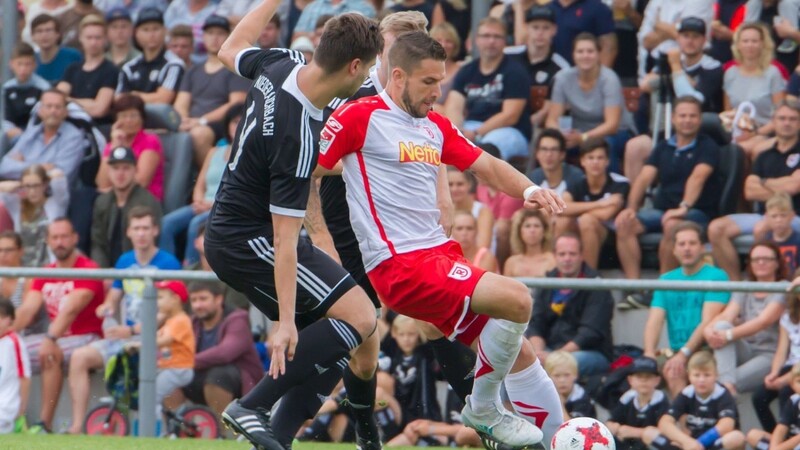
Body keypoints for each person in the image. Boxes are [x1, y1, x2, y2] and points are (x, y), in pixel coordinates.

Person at [318, 30, 565, 447]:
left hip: (437, 258)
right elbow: (305, 167)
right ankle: (483, 406)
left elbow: (486, 165)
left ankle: (556, 441)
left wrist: (528, 190)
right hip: (399, 266)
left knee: (519, 353)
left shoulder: (434, 126)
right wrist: (305, 233)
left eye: (442, 81)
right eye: (428, 82)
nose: (438, 91)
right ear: (398, 77)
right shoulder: (358, 117)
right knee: (518, 298)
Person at [203, 1, 384, 448]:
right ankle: (251, 405)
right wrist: (285, 323)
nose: (366, 81)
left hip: (242, 230)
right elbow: (285, 241)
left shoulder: (284, 62)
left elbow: (230, 48)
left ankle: (277, 440)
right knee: (360, 315)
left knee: (341, 336)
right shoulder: (295, 134)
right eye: (368, 71)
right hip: (249, 240)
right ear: (353, 65)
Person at [67, 205, 179, 434]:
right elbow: (114, 297)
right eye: (136, 228)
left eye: (146, 228)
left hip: (158, 341)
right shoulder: (124, 261)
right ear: (128, 232)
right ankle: (78, 425)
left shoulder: (169, 263)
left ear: (155, 230)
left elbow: (170, 311)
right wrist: (105, 308)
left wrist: (133, 330)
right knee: (79, 357)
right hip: (127, 340)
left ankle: (168, 430)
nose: (141, 234)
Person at [13, 218, 105, 434]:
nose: (60, 242)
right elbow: (27, 311)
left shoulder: (89, 269)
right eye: (55, 238)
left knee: (50, 352)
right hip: (54, 337)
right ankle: (12, 420)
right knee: (7, 351)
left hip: (87, 336)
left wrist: (50, 338)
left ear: (75, 238)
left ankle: (44, 424)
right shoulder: (46, 272)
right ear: (48, 241)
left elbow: (71, 309)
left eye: (64, 237)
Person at [614, 96, 721, 281]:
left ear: (700, 119)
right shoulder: (663, 147)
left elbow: (698, 177)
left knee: (672, 225)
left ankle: (663, 287)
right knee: (624, 224)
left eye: (692, 116)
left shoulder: (708, 146)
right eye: (682, 116)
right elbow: (643, 179)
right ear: (673, 119)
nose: (687, 120)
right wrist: (631, 209)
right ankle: (634, 286)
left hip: (697, 212)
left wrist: (683, 207)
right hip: (662, 211)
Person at [624, 16, 725, 182]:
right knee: (635, 146)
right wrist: (680, 77)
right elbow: (645, 84)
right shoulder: (667, 63)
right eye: (685, 36)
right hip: (663, 131)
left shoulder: (712, 67)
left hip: (697, 134)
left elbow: (693, 99)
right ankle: (635, 203)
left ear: (704, 40)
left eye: (695, 37)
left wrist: (676, 69)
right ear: (678, 39)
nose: (690, 41)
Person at [709, 101, 800, 280]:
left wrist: (763, 182)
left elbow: (794, 186)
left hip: (794, 216)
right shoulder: (764, 154)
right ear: (773, 121)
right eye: (782, 118)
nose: (787, 123)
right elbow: (749, 191)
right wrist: (783, 185)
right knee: (716, 228)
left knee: (762, 227)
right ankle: (736, 287)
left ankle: (762, 283)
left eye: (792, 119)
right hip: (764, 215)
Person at [642, 222, 730, 397]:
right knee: (637, 375)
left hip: (705, 350)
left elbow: (707, 321)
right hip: (675, 351)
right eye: (681, 244)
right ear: (674, 250)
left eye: (692, 243)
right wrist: (649, 354)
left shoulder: (717, 276)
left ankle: (681, 423)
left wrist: (683, 354)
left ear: (703, 248)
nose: (687, 249)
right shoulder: (666, 280)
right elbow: (655, 321)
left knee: (675, 371)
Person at [161, 104, 242, 265]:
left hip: (224, 207)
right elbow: (200, 184)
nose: (237, 126)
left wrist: (212, 205)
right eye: (234, 122)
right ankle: (168, 270)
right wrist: (198, 201)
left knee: (195, 226)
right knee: (167, 223)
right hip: (203, 204)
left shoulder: (249, 154)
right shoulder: (214, 151)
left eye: (242, 121)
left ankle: (190, 271)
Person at [169, 281, 263, 417]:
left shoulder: (238, 319)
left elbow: (225, 353)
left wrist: (184, 360)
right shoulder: (192, 322)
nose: (197, 305)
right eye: (193, 300)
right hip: (201, 379)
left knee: (218, 375)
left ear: (219, 299)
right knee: (169, 375)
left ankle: (222, 432)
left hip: (241, 384)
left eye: (203, 299)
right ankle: (180, 425)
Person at [704, 242, 787, 395]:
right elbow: (727, 315)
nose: (760, 263)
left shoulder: (782, 288)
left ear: (776, 263)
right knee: (721, 326)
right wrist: (709, 330)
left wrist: (728, 335)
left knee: (719, 387)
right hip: (745, 349)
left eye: (766, 259)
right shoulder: (745, 286)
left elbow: (764, 321)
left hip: (769, 355)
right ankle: (726, 385)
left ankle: (725, 388)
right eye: (756, 259)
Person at [545, 32, 635, 174]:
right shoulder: (563, 78)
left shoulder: (609, 79)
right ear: (573, 55)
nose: (585, 56)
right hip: (576, 133)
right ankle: (549, 188)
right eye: (580, 51)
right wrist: (560, 136)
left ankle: (609, 190)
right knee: (549, 144)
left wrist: (583, 138)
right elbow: (552, 119)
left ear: (598, 54)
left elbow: (612, 125)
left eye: (590, 51)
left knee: (602, 146)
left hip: (615, 133)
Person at [444, 17, 532, 161]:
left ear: (505, 41)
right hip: (470, 127)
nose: (491, 41)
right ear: (476, 40)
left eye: (497, 36)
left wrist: (476, 133)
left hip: (508, 131)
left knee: (487, 148)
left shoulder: (516, 72)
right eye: (486, 36)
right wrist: (458, 132)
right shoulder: (467, 70)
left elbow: (510, 115)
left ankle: (482, 184)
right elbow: (454, 106)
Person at [527, 233, 615, 376]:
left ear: (581, 256)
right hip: (549, 350)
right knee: (518, 364)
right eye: (562, 254)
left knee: (559, 366)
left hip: (589, 353)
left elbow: (589, 333)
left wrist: (556, 357)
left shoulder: (597, 285)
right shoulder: (547, 282)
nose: (567, 259)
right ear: (555, 256)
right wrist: (538, 353)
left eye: (572, 254)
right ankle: (505, 400)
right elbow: (536, 323)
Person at [174, 16, 249, 166]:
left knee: (199, 134)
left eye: (220, 33)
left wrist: (201, 121)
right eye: (210, 33)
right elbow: (180, 103)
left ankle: (207, 181)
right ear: (203, 37)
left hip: (220, 125)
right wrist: (184, 121)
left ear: (228, 37)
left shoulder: (235, 69)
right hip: (192, 123)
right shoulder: (193, 70)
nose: (214, 38)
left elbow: (236, 104)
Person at [644, 351, 745, 450]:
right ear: (689, 376)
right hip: (689, 443)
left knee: (736, 437)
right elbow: (664, 423)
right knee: (649, 433)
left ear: (716, 375)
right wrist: (686, 441)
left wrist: (699, 443)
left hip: (713, 443)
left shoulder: (722, 393)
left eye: (707, 375)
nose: (701, 380)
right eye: (696, 375)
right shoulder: (687, 393)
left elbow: (726, 425)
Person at [560, 138, 629, 268]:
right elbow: (561, 208)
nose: (595, 162)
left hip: (610, 238)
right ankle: (558, 273)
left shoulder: (620, 183)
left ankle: (587, 279)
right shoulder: (577, 183)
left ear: (607, 161)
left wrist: (577, 209)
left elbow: (606, 214)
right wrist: (600, 204)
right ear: (583, 161)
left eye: (600, 158)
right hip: (581, 235)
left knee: (587, 220)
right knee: (562, 221)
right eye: (590, 158)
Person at [722, 22, 786, 160]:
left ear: (762, 44)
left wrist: (755, 133)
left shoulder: (772, 73)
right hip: (738, 131)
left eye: (754, 41)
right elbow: (728, 112)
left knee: (742, 150)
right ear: (738, 45)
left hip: (765, 131)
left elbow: (780, 115)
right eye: (745, 41)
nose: (749, 45)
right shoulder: (730, 73)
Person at [91, 146, 163, 268]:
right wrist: (101, 273)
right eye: (115, 168)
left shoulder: (148, 202)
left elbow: (152, 242)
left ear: (135, 170)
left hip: (139, 268)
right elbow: (98, 243)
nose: (120, 173)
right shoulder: (102, 202)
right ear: (109, 171)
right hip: (107, 272)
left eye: (126, 168)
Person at [0, 89, 87, 186]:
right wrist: (41, 167)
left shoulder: (74, 137)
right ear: (40, 110)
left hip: (51, 197)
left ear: (65, 112)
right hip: (19, 192)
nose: (53, 111)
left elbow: (60, 177)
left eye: (58, 107)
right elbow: (4, 167)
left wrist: (21, 166)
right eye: (48, 106)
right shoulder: (31, 132)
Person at [503, 6, 570, 127]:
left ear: (554, 30)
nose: (540, 33)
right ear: (527, 28)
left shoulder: (562, 68)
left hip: (540, 127)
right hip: (502, 121)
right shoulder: (507, 56)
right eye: (535, 27)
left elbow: (552, 108)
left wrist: (526, 125)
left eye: (546, 28)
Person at [752, 270, 800, 432]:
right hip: (791, 365)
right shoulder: (789, 316)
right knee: (759, 397)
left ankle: (788, 438)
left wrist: (786, 380)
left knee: (786, 393)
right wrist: (774, 373)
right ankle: (774, 438)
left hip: (798, 371)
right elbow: (782, 349)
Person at [96, 94, 164, 201]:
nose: (128, 120)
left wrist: (113, 192)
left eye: (133, 116)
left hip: (143, 201)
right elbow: (102, 184)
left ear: (142, 118)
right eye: (123, 116)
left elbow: (142, 181)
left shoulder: (150, 140)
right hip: (115, 201)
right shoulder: (112, 144)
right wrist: (114, 146)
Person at [0, 165, 69, 267]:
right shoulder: (17, 205)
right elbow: (2, 189)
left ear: (45, 185)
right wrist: (20, 184)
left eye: (36, 185)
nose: (32, 191)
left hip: (48, 267)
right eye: (28, 186)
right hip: (24, 267)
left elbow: (59, 176)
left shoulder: (57, 203)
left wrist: (43, 175)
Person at [57, 15, 119, 126]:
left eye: (98, 38)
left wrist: (70, 101)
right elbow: (57, 99)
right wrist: (88, 103)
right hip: (68, 126)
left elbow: (99, 109)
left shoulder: (111, 70)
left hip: (96, 128)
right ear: (81, 38)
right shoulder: (72, 69)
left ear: (105, 39)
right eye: (89, 38)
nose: (93, 42)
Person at [116, 8, 185, 105]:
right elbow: (119, 101)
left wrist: (133, 95)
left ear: (165, 31)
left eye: (156, 29)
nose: (151, 34)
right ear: (136, 34)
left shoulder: (173, 64)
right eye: (146, 30)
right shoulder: (129, 67)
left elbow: (163, 99)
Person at [152, 280, 195, 419]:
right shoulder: (170, 321)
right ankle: (170, 424)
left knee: (152, 396)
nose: (157, 302)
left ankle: (154, 432)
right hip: (169, 367)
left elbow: (164, 340)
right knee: (154, 394)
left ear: (176, 299)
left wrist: (142, 344)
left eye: (161, 298)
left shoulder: (180, 320)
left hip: (179, 369)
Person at [637, 1, 714, 79]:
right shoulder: (655, 2)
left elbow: (689, 35)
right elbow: (646, 42)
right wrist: (673, 29)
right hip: (659, 63)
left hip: (692, 66)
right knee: (646, 85)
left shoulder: (701, 2)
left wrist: (658, 25)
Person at [606, 357, 669, 450]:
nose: (643, 381)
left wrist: (636, 432)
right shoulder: (627, 398)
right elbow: (611, 421)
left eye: (648, 377)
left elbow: (665, 432)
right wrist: (615, 427)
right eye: (639, 377)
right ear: (630, 380)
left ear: (657, 380)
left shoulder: (661, 401)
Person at [0, 231, 47, 335]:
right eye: (0, 250)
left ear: (21, 251)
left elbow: (29, 318)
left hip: (29, 336)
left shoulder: (29, 280)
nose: (3, 255)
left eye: (8, 250)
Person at [2, 43, 50, 142]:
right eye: (19, 64)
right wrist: (9, 129)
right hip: (12, 132)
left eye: (27, 64)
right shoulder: (7, 88)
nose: (23, 69)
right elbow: (5, 116)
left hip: (36, 134)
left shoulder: (43, 88)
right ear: (11, 64)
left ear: (34, 65)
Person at [748, 362, 800, 450]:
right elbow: (781, 428)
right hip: (787, 445)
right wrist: (774, 447)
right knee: (753, 436)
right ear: (792, 385)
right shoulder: (793, 401)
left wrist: (778, 448)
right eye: (799, 381)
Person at [549, 0, 617, 67]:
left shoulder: (598, 8)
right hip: (551, 72)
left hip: (584, 73)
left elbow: (608, 47)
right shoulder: (548, 8)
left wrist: (601, 75)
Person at [0, 299, 31, 435]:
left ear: (10, 320)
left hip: (5, 408)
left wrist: (21, 409)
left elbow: (24, 376)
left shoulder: (14, 342)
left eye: (2, 317)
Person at [527, 128, 586, 196]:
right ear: (537, 153)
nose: (549, 154)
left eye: (554, 149)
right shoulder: (533, 177)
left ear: (562, 154)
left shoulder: (576, 177)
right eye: (544, 149)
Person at [447, 168, 493, 250]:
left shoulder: (482, 211)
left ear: (470, 184)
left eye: (460, 184)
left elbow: (483, 246)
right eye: (450, 184)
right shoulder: (443, 211)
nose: (454, 189)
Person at [31, 14, 83, 85]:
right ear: (32, 36)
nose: (44, 35)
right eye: (39, 31)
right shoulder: (30, 60)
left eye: (48, 30)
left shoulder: (73, 56)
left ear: (58, 34)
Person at [544, 351, 597, 420]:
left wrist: (560, 405)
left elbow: (573, 429)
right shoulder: (544, 395)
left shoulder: (582, 399)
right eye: (557, 375)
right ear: (548, 376)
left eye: (567, 375)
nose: (562, 380)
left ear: (576, 375)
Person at [503, 209, 556, 278]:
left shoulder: (552, 260)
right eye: (527, 226)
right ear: (520, 232)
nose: (532, 230)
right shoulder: (511, 263)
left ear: (544, 231)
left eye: (537, 226)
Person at [291, 0, 376, 40]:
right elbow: (296, 38)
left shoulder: (365, 9)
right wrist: (314, 35)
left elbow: (369, 39)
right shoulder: (312, 7)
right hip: (314, 56)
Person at [430, 22, 463, 110]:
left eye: (448, 41)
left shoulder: (462, 70)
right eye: (439, 40)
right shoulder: (422, 70)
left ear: (455, 45)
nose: (443, 45)